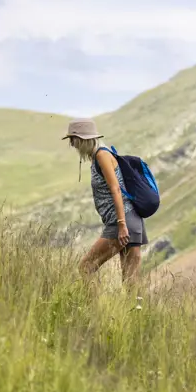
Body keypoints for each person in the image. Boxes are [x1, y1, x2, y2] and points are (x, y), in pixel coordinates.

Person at [62, 118, 147, 291]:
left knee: (86, 267)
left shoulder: (102, 156)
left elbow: (115, 189)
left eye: (73, 140)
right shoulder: (100, 155)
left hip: (122, 221)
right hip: (132, 220)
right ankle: (138, 315)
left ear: (82, 139)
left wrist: (121, 225)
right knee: (131, 282)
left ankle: (96, 312)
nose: (72, 145)